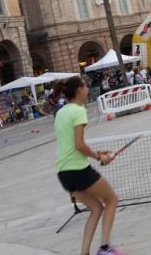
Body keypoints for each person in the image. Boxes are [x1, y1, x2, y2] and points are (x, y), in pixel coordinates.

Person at [53, 77, 124, 255]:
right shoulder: (78, 110)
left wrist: (99, 152)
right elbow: (79, 145)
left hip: (63, 172)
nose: (88, 90)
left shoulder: (61, 112)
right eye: (85, 87)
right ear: (79, 90)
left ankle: (84, 252)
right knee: (111, 200)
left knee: (96, 208)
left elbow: (70, 146)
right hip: (78, 169)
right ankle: (105, 248)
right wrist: (100, 158)